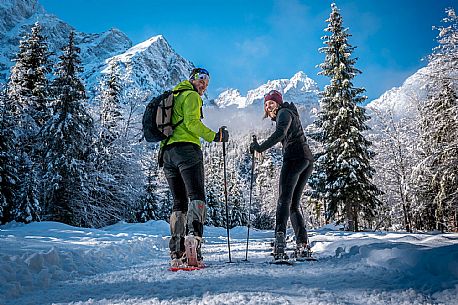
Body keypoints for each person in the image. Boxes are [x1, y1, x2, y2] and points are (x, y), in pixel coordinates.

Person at [160, 67, 229, 267]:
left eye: (206, 83)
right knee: (196, 196)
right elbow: (191, 124)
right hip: (188, 152)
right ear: (192, 79)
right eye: (201, 80)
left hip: (167, 154)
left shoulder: (174, 95)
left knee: (178, 202)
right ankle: (194, 240)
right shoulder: (191, 96)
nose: (203, 85)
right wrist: (216, 136)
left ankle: (177, 250)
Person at [250, 89, 314, 261]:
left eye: (271, 102)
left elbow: (280, 133)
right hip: (307, 159)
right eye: (265, 104)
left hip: (294, 157)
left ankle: (279, 243)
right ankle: (302, 245)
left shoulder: (284, 113)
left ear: (278, 103)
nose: (268, 106)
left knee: (283, 200)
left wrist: (260, 148)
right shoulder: (290, 112)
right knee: (293, 204)